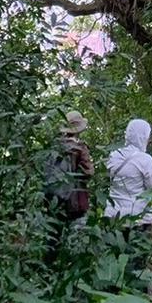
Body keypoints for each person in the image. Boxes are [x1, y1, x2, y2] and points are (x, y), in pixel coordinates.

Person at [103, 118, 152, 275]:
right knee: (137, 263)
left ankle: (113, 292)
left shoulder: (114, 155)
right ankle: (136, 293)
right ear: (143, 136)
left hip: (113, 216)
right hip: (138, 218)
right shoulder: (145, 160)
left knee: (115, 261)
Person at [43, 110, 94, 260]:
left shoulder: (54, 147)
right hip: (75, 198)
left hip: (54, 198)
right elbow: (88, 172)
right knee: (76, 235)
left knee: (53, 235)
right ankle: (71, 267)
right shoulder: (79, 148)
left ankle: (48, 268)